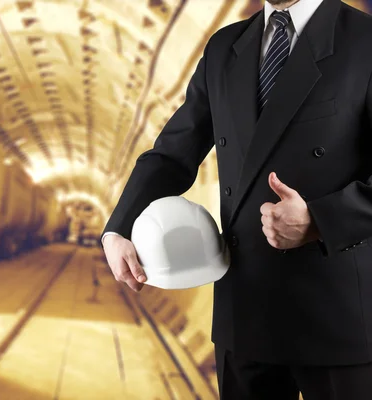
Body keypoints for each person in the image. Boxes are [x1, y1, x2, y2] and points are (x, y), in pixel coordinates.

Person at [100, 0, 372, 398]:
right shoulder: (224, 48)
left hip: (338, 317)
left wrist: (319, 220)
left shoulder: (364, 41)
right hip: (244, 311)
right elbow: (173, 153)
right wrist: (118, 228)